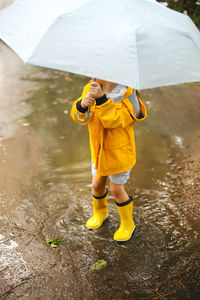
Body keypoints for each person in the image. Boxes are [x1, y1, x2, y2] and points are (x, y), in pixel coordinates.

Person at [70, 78, 147, 242]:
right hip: (98, 151)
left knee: (116, 189)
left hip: (119, 153)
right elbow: (81, 118)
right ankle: (100, 212)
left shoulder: (129, 93)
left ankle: (127, 223)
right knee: (97, 184)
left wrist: (101, 100)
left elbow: (116, 121)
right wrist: (82, 105)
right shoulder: (92, 86)